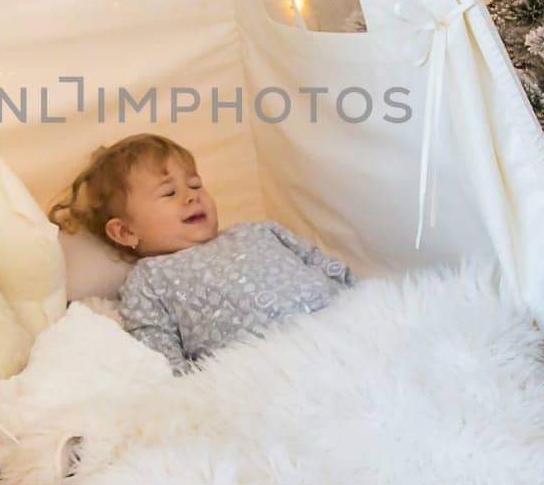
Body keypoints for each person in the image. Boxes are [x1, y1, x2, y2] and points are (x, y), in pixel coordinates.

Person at [49, 132, 359, 372]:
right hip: (265, 365)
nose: (191, 197)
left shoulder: (258, 230)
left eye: (195, 185)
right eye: (169, 192)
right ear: (126, 231)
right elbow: (159, 350)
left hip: (342, 328)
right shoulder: (150, 278)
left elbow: (325, 266)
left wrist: (364, 301)